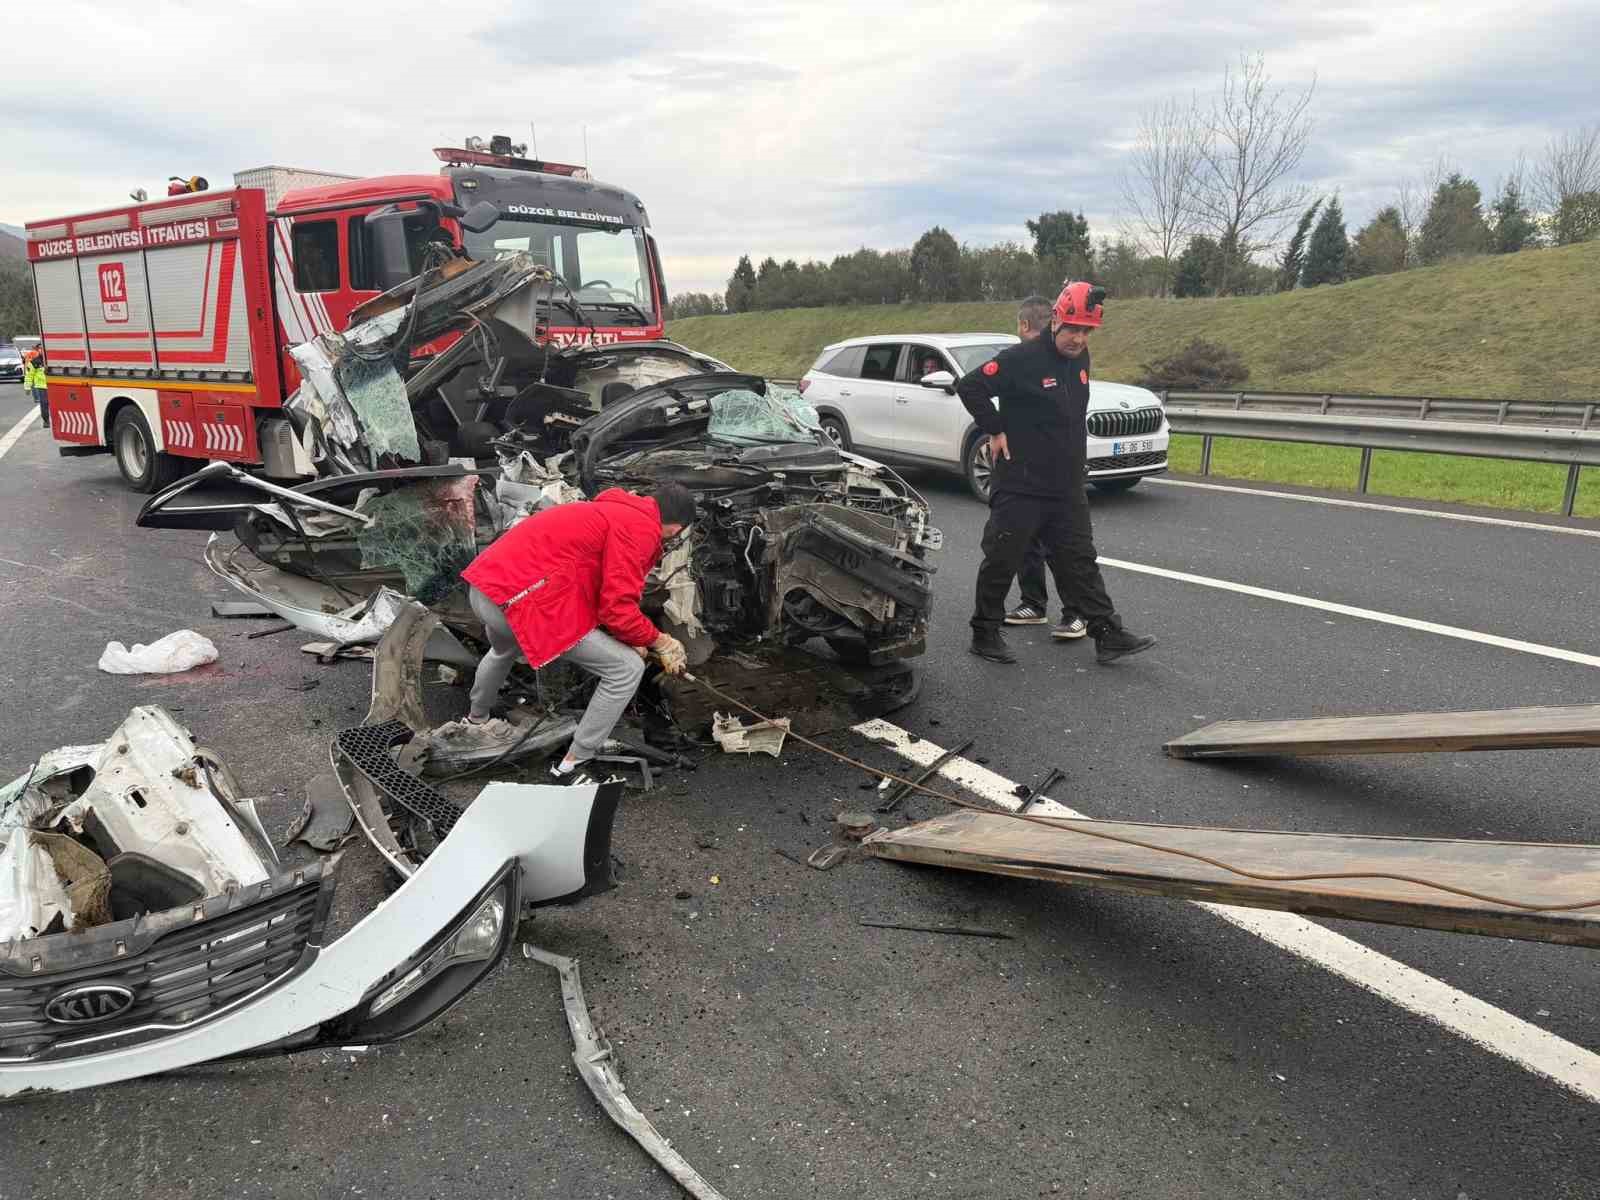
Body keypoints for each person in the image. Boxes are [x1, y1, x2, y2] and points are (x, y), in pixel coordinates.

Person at [957, 281, 1156, 666]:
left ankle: (1107, 633)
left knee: (1079, 561)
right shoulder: (1021, 358)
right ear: (1055, 322)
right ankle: (984, 632)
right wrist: (995, 428)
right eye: (1073, 329)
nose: (1079, 339)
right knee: (1002, 558)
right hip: (1021, 484)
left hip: (1066, 485)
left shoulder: (1080, 359)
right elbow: (971, 386)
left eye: (1086, 331)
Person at [445, 482, 697, 783]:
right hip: (519, 605)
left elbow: (587, 585)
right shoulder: (641, 528)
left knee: (502, 650)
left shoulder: (609, 508)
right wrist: (660, 640)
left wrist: (634, 637)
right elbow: (617, 609)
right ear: (676, 528)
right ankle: (574, 763)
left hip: (486, 589)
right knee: (625, 669)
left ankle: (476, 719)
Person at [999, 296, 1086, 641]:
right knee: (1026, 539)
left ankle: (1076, 611)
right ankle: (1034, 603)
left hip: (1057, 473)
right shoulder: (1016, 360)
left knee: (1062, 545)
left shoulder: (1064, 359)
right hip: (1023, 470)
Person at [24, 348, 48, 428]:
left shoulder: (53, 360)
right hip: (42, 387)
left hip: (55, 385)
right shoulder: (35, 362)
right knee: (44, 404)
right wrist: (27, 387)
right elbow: (29, 375)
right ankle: (46, 421)